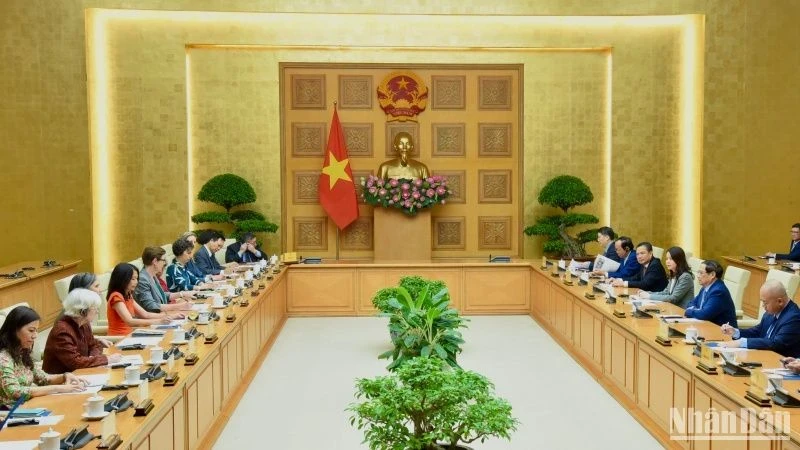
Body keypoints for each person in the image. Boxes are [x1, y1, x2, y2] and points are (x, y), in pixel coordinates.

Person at [0, 306, 88, 406]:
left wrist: (64, 377)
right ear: (14, 330)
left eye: (36, 330)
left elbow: (42, 379)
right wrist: (59, 388)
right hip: (9, 414)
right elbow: (16, 392)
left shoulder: (21, 353)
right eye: (31, 330)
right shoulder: (3, 358)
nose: (35, 336)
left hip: (29, 407)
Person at [42, 289, 122, 373]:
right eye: (95, 308)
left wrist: (92, 358)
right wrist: (106, 359)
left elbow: (93, 346)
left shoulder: (84, 323)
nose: (97, 312)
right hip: (61, 380)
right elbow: (75, 362)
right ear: (83, 311)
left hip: (82, 373)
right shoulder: (62, 331)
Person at [719, 280, 800, 356]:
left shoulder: (793, 317)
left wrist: (741, 342)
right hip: (764, 356)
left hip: (781, 362)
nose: (763, 306)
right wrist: (735, 332)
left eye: (765, 302)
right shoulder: (771, 312)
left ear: (780, 301)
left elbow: (777, 343)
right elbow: (757, 332)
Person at [106, 263, 172, 336]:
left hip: (129, 335)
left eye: (137, 279)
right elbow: (130, 321)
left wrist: (169, 315)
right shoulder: (116, 297)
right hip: (119, 339)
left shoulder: (128, 295)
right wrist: (158, 321)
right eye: (133, 279)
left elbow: (145, 314)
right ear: (122, 279)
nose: (136, 282)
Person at [134, 247, 193, 314]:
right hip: (152, 320)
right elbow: (151, 306)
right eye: (163, 260)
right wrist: (179, 306)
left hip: (162, 315)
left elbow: (162, 295)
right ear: (155, 261)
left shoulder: (152, 275)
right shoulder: (142, 279)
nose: (164, 263)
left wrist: (182, 294)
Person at [684, 260, 738, 327]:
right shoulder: (705, 287)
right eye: (698, 272)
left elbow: (704, 314)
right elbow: (691, 303)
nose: (698, 276)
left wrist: (689, 311)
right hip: (705, 327)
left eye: (701, 273)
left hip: (722, 333)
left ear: (712, 275)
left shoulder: (718, 291)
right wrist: (696, 310)